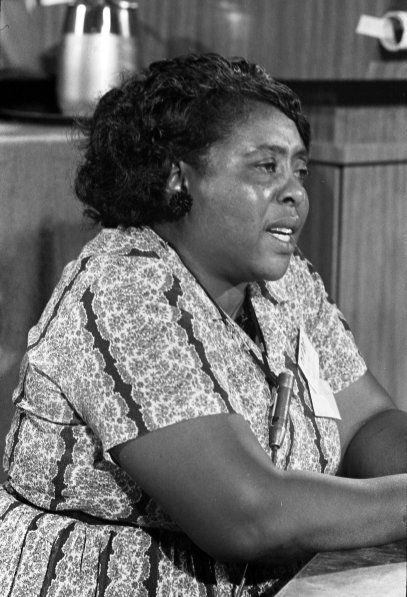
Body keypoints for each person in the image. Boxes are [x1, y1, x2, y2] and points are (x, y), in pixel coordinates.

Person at [0, 53, 406, 597]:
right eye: (266, 167)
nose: (296, 192)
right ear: (177, 177)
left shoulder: (287, 284)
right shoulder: (123, 290)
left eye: (299, 169)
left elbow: (366, 422)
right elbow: (245, 513)